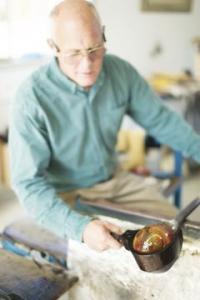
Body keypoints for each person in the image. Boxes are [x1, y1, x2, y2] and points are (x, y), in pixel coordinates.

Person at [9, 0, 200, 252]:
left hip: (116, 181)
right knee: (102, 262)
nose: (87, 65)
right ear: (52, 47)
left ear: (104, 36)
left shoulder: (121, 73)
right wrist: (80, 228)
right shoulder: (31, 98)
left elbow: (163, 121)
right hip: (63, 195)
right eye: (74, 53)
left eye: (94, 49)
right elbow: (28, 185)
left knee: (183, 235)